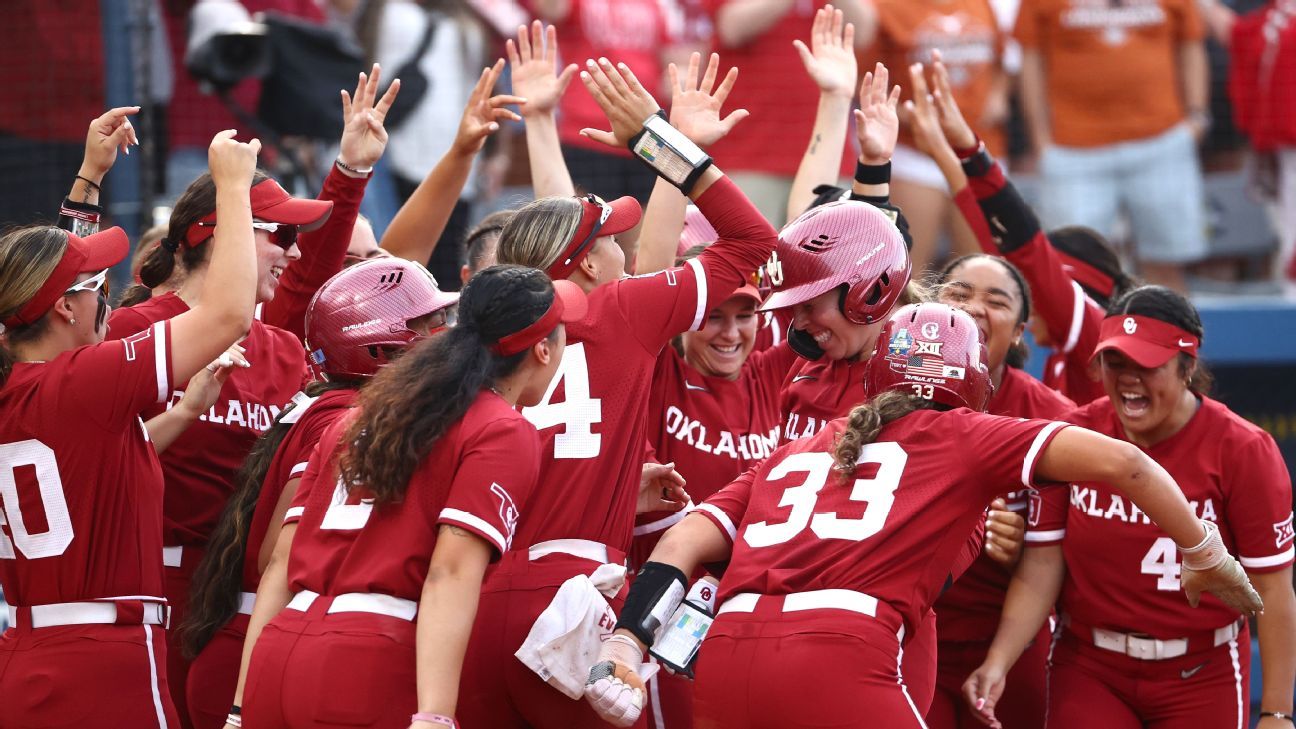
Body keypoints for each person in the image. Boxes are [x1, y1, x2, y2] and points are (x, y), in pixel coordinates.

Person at [583, 302, 1264, 729]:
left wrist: (627, 638)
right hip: (836, 653)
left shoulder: (799, 447)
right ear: (968, 378)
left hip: (725, 658)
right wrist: (1206, 552)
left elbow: (685, 537)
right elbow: (1131, 464)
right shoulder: (965, 433)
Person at [456, 53, 778, 728]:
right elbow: (753, 238)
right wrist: (662, 141)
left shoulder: (469, 335)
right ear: (582, 260)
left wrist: (615, 486)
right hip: (573, 596)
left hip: (473, 597)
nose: (621, 248)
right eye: (609, 237)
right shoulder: (620, 310)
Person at [237, 265, 584, 729]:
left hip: (279, 652)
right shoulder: (502, 427)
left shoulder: (363, 414)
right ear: (543, 349)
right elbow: (449, 571)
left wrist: (240, 706)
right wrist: (435, 715)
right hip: (369, 660)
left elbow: (281, 563)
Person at [0, 131, 262, 728]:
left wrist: (90, 176)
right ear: (65, 308)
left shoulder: (20, 383)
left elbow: (96, 464)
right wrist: (232, 187)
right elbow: (227, 314)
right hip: (103, 665)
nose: (109, 301)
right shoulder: (82, 381)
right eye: (96, 288)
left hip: (23, 652)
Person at [965, 285, 1296, 729]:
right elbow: (1043, 562)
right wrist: (998, 662)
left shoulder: (1242, 449)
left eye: (1147, 364)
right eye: (1115, 362)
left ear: (1187, 367)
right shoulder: (1077, 434)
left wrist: (1277, 712)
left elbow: (1273, 590)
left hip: (1201, 670)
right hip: (1090, 665)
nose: (1128, 378)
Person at [179, 258, 458, 729]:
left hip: (262, 646)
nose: (444, 336)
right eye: (427, 324)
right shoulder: (342, 416)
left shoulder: (338, 405)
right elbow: (279, 556)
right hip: (257, 653)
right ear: (381, 344)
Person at [107, 161, 332, 724]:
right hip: (150, 587)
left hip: (241, 599)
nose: (295, 253)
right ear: (216, 232)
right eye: (279, 235)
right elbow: (91, 463)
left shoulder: (285, 350)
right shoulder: (131, 332)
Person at [905, 55, 1134, 404]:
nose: (1028, 298)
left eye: (1037, 286)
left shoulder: (1097, 344)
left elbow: (1022, 242)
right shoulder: (1063, 353)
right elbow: (994, 239)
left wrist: (970, 149)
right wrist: (939, 148)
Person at [926, 253, 1074, 729]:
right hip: (908, 633)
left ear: (1018, 333)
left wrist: (1024, 545)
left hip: (1013, 642)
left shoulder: (1055, 417)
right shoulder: (887, 397)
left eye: (996, 301)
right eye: (959, 293)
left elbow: (1070, 557)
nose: (974, 309)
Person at [1014, 0, 1210, 290]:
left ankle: (1172, 335)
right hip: (1072, 149)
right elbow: (1031, 59)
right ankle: (1094, 337)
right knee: (1076, 272)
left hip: (1162, 140)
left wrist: (1196, 117)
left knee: (1167, 266)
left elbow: (1191, 44)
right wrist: (1041, 141)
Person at [703, 0, 877, 225]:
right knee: (746, 254)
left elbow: (864, 30)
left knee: (827, 256)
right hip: (748, 154)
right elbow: (732, 27)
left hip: (830, 153)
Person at [864, 0, 1006, 274]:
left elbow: (1002, 60)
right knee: (909, 268)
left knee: (979, 268)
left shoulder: (984, 5)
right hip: (916, 153)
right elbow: (865, 80)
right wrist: (904, 113)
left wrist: (998, 96)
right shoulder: (887, 7)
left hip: (977, 150)